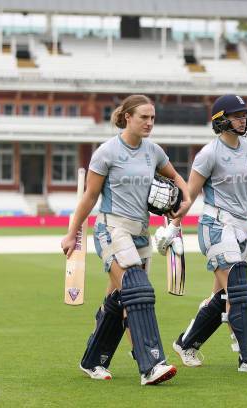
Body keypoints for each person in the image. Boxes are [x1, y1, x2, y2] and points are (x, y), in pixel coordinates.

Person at [61, 94, 190, 385]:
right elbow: (90, 196)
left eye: (152, 118)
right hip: (111, 229)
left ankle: (92, 360)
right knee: (138, 291)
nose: (149, 123)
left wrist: (186, 201)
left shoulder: (153, 152)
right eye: (144, 117)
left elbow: (178, 180)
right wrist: (73, 232)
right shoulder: (106, 152)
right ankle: (150, 364)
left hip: (140, 232)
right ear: (128, 117)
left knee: (119, 299)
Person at [165, 94, 247, 373]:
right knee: (239, 290)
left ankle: (186, 343)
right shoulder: (209, 153)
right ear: (221, 120)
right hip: (215, 227)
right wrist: (173, 226)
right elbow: (190, 193)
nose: (244, 120)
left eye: (245, 115)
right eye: (237, 115)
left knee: (222, 296)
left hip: (243, 229)